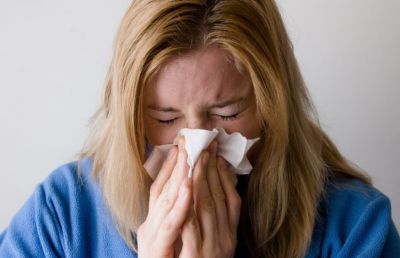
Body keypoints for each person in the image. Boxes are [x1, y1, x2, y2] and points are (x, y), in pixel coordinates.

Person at [1, 0, 399, 257]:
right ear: (129, 116)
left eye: (227, 114)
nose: (197, 148)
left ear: (272, 105)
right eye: (165, 119)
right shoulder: (62, 216)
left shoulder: (354, 228)